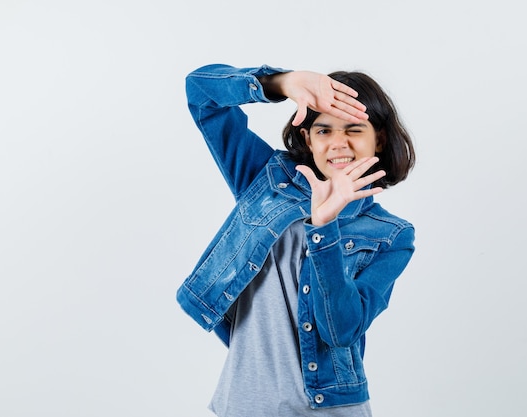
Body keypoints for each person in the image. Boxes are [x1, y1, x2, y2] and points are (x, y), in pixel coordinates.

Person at [176, 63, 416, 416]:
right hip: (241, 404)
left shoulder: (391, 235)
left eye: (354, 129)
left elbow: (340, 330)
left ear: (377, 138)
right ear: (307, 138)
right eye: (323, 130)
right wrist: (279, 83)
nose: (338, 143)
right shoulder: (264, 179)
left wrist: (325, 227)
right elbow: (201, 93)